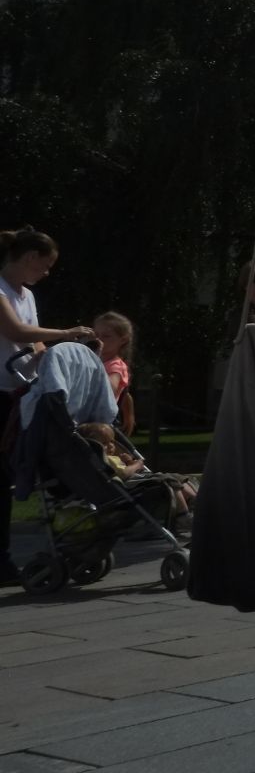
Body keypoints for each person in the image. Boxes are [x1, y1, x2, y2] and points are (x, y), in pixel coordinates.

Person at [0, 226, 98, 585]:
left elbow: (36, 344)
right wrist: (66, 334)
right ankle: (3, 559)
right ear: (29, 258)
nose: (47, 273)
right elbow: (17, 333)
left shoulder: (25, 295)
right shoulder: (1, 293)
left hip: (22, 393)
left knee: (34, 463)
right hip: (2, 392)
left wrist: (58, 365)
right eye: (45, 265)